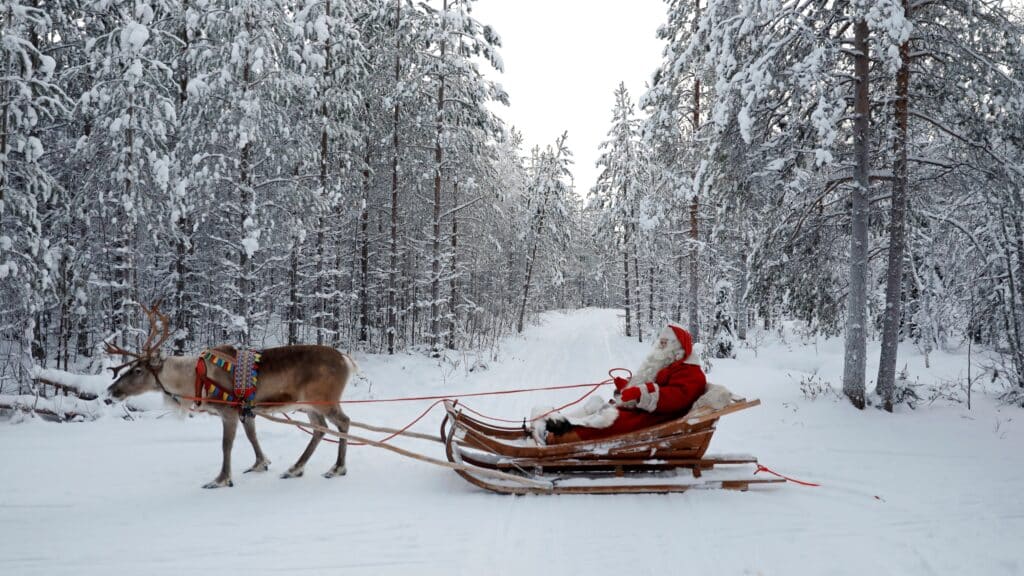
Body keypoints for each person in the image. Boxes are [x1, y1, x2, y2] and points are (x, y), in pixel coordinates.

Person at [536, 323, 707, 445]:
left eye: (665, 344)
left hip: (659, 419)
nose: (660, 348)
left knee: (609, 420)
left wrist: (639, 393)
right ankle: (559, 424)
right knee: (599, 406)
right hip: (648, 411)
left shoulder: (691, 372)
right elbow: (650, 386)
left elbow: (675, 398)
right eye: (660, 343)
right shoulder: (669, 364)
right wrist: (626, 386)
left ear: (678, 347)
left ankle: (557, 439)